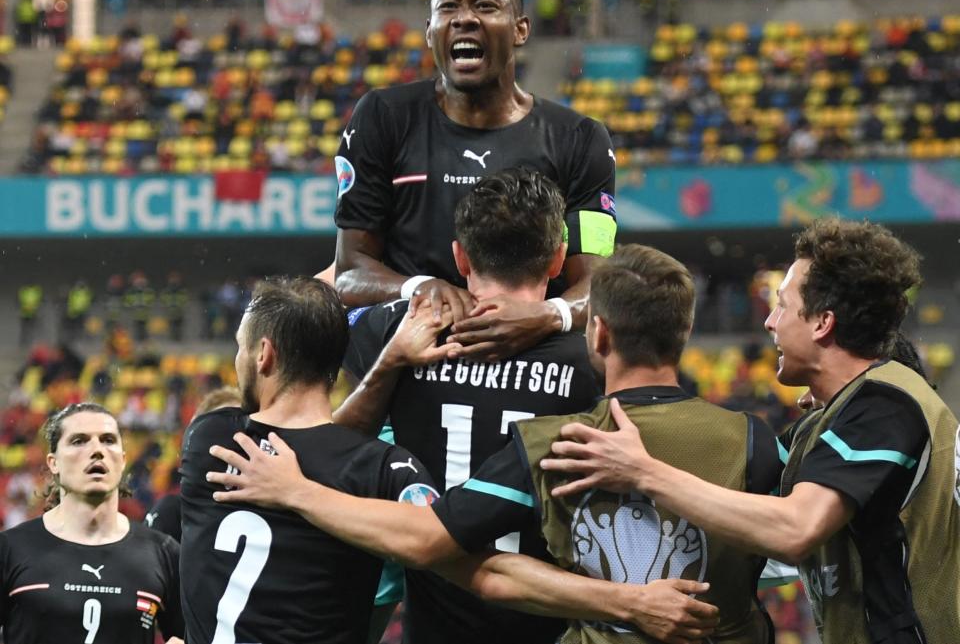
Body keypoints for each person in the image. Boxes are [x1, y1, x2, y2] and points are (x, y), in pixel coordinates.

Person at [207, 246, 791, 643]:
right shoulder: (755, 442)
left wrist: (298, 491)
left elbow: (432, 542)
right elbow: (803, 541)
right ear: (685, 332)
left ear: (598, 331)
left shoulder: (550, 445)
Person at [541, 219, 959, 644]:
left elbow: (794, 531)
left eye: (782, 305)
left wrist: (643, 472)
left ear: (822, 323)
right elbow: (735, 502)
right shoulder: (847, 414)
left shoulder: (884, 407)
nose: (770, 322)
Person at [336, 170, 603, 644]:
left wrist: (413, 289)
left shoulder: (401, 330)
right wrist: (563, 315)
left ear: (459, 255)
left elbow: (325, 296)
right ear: (559, 257)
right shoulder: (595, 354)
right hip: (555, 623)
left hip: (435, 622)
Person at [333, 0, 617, 360]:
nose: (464, 18)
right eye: (448, 8)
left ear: (521, 29)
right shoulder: (383, 117)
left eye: (485, 5)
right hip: (413, 362)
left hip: (529, 362)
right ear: (430, 31)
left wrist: (547, 314)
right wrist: (419, 287)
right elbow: (349, 273)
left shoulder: (579, 138)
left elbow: (597, 282)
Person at [0, 403, 184, 644]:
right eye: (79, 441)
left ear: (123, 460)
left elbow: (192, 634)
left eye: (108, 440)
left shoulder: (163, 553)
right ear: (53, 462)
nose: (97, 450)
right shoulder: (9, 549)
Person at [144, 386, 242, 542]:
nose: (229, 438)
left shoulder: (269, 509)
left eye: (241, 427)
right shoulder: (174, 513)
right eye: (219, 428)